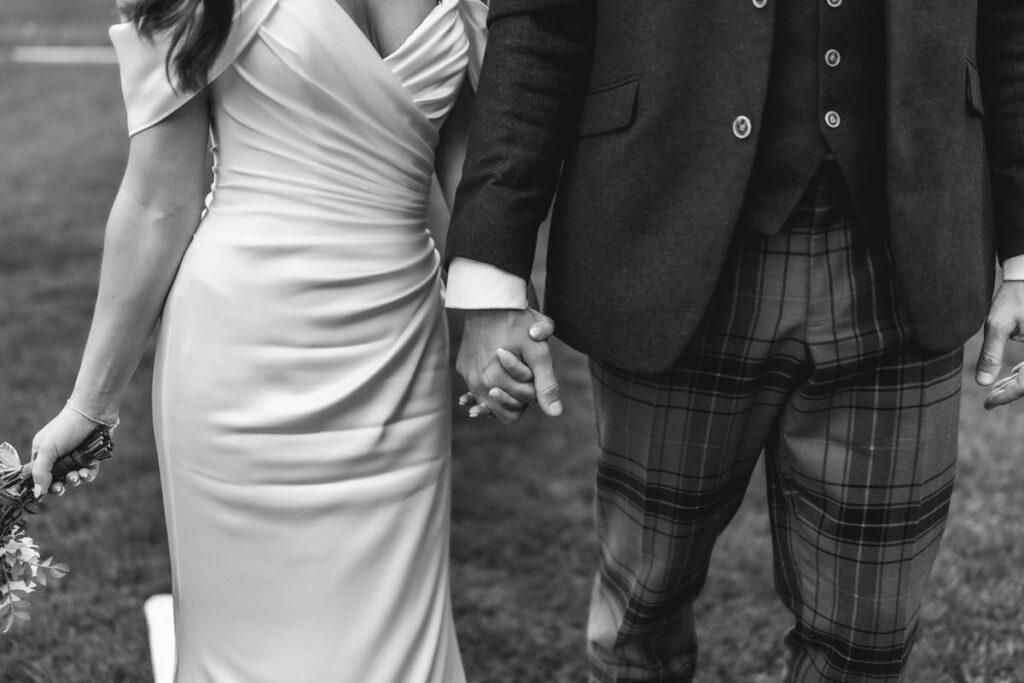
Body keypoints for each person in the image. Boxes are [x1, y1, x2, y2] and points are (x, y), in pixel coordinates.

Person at [446, 1, 1024, 681]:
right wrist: (492, 275)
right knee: (641, 614)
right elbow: (542, 22)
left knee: (869, 640)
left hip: (905, 253)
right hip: (670, 236)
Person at [29, 0, 494, 680]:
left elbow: (469, 166)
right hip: (242, 353)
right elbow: (162, 201)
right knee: (246, 643)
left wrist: (495, 305)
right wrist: (89, 403)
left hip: (398, 348)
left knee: (397, 637)